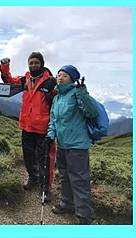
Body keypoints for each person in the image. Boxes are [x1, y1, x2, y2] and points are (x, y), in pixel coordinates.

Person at [0, 52, 57, 198]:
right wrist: (5, 67)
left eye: (36, 62)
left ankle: (46, 188)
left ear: (42, 64)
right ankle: (33, 177)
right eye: (31, 63)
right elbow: (10, 81)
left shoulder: (51, 82)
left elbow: (59, 101)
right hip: (27, 126)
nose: (33, 65)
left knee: (45, 159)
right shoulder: (25, 79)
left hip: (44, 128)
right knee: (28, 156)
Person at [46, 65, 98, 224]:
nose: (60, 78)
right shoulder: (56, 98)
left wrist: (83, 92)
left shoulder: (77, 93)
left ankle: (84, 214)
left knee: (79, 179)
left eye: (65, 76)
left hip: (77, 146)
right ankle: (66, 204)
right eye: (58, 75)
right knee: (64, 177)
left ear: (73, 79)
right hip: (62, 144)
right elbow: (53, 121)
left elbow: (92, 112)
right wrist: (50, 135)